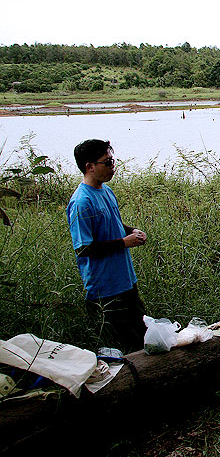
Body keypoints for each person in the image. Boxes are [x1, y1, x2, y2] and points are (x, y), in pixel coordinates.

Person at [67, 139, 147, 353]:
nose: (113, 166)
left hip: (126, 281)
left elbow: (113, 224)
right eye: (107, 162)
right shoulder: (81, 202)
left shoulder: (106, 191)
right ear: (89, 166)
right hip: (105, 289)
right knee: (122, 348)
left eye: (113, 161)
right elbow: (84, 248)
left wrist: (131, 231)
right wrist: (123, 243)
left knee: (143, 339)